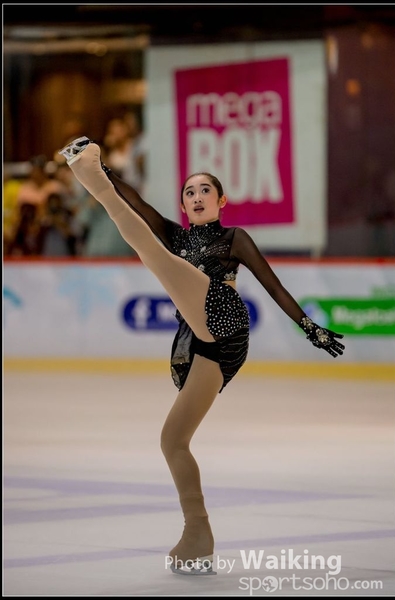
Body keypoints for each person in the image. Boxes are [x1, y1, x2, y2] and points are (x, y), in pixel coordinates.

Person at [58, 136, 345, 576]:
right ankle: (198, 533)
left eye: (204, 190)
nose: (196, 197)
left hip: (225, 319)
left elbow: (272, 286)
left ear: (221, 201)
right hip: (200, 341)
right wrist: (114, 177)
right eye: (189, 192)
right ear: (183, 204)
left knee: (152, 254)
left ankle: (90, 174)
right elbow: (139, 207)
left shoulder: (234, 238)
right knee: (172, 440)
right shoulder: (176, 236)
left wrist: (310, 328)